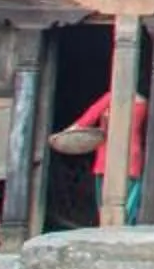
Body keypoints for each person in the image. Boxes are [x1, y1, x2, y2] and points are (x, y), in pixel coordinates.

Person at [55, 92, 148, 226]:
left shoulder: (111, 97)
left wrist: (65, 134)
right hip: (133, 157)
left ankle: (107, 228)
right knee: (129, 201)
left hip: (107, 156)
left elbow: (87, 119)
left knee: (105, 201)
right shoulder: (144, 103)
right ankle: (124, 228)